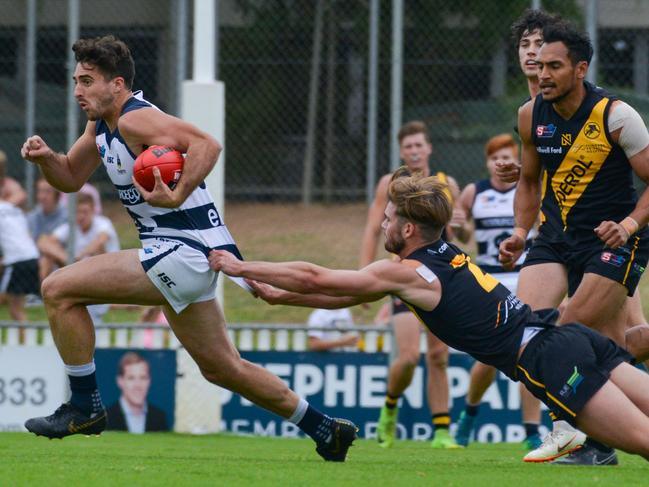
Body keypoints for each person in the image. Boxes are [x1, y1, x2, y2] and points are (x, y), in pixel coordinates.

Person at [20, 35, 356, 462]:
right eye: (75, 81)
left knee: (57, 288)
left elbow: (208, 145)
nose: (77, 91)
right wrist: (47, 157)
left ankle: (84, 404)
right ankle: (324, 428)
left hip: (179, 252)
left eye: (87, 81)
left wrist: (177, 195)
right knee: (221, 368)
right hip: (184, 256)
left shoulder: (133, 121)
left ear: (117, 85)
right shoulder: (100, 127)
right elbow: (69, 177)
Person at [209, 169, 649, 464]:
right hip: (569, 337)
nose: (382, 227)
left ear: (406, 230)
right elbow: (336, 295)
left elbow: (312, 275)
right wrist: (281, 299)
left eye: (387, 220)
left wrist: (240, 266)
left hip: (551, 361)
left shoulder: (409, 273)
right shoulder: (442, 254)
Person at [499, 20, 649, 465]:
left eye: (554, 66)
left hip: (614, 243)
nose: (542, 74)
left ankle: (572, 433)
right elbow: (528, 182)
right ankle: (598, 445)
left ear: (580, 69)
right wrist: (519, 232)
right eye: (539, 65)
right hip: (555, 239)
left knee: (568, 337)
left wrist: (627, 225)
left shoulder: (616, 116)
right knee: (525, 337)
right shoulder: (530, 115)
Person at [359, 120, 462, 449]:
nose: (415, 151)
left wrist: (464, 228)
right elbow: (374, 229)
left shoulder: (447, 185)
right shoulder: (390, 184)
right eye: (409, 147)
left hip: (439, 278)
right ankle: (389, 409)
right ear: (402, 151)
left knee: (439, 355)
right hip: (404, 277)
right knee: (407, 357)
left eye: (420, 145)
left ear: (429, 148)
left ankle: (442, 432)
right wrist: (364, 277)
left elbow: (461, 235)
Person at [452, 133, 540, 448]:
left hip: (527, 275)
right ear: (487, 162)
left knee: (530, 353)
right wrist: (458, 223)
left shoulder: (528, 188)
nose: (501, 162)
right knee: (489, 357)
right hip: (490, 282)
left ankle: (532, 433)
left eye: (507, 156)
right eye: (495, 158)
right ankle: (469, 416)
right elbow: (460, 235)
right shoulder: (475, 192)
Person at [37, 192, 119, 324]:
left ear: (93, 210)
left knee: (98, 251)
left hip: (107, 272)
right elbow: (43, 242)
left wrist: (79, 257)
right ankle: (45, 295)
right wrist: (66, 258)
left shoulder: (103, 223)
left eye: (84, 212)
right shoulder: (70, 227)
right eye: (77, 212)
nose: (80, 216)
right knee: (46, 258)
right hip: (79, 271)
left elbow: (100, 240)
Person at [0, 196, 40, 324]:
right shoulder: (14, 209)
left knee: (14, 309)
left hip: (16, 261)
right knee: (16, 309)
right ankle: (25, 340)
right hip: (32, 257)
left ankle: (25, 340)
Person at [106, 352, 169, 433]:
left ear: (149, 381)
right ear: (120, 381)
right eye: (131, 378)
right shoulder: (106, 418)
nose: (138, 385)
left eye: (143, 377)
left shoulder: (159, 417)